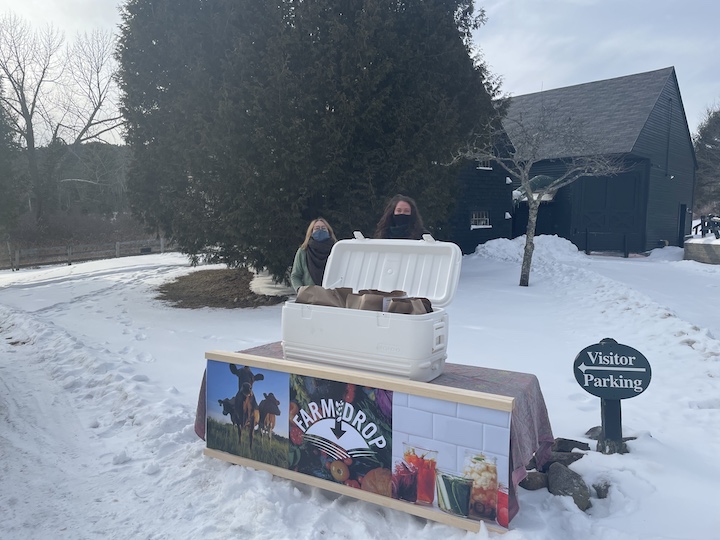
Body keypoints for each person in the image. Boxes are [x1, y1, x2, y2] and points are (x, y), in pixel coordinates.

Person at [290, 218, 337, 292]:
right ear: (311, 232)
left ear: (329, 231)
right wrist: (300, 290)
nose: (320, 230)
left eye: (323, 228)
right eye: (317, 228)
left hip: (332, 296)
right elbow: (295, 275)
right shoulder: (303, 251)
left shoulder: (336, 251)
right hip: (311, 297)